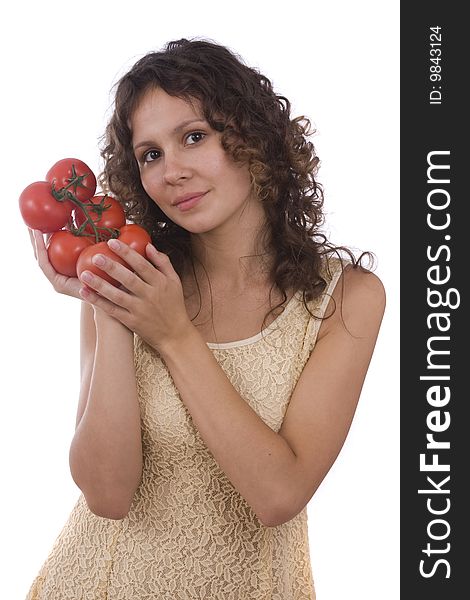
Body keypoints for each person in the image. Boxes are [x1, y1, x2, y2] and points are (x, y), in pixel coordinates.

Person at [26, 38, 385, 599]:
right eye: (150, 155)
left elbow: (278, 495)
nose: (172, 172)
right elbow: (107, 495)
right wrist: (111, 308)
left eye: (194, 137)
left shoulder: (347, 298)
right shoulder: (131, 277)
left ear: (251, 137)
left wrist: (173, 334)